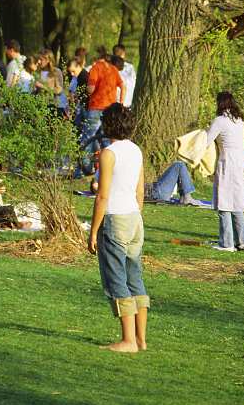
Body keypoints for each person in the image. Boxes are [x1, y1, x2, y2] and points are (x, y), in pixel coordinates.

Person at [87, 103, 148, 353]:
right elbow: (140, 190)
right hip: (135, 218)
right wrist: (136, 214)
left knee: (118, 280)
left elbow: (102, 196)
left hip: (115, 218)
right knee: (135, 278)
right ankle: (141, 339)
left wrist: (93, 231)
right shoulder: (136, 151)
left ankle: (128, 341)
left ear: (107, 124)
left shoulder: (108, 153)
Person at [206, 91, 244, 252]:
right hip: (242, 162)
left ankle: (227, 243)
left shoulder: (219, 121)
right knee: (237, 202)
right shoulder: (239, 120)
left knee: (224, 203)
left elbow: (206, 140)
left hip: (228, 163)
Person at [79, 47, 124, 175]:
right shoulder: (113, 69)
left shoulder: (96, 68)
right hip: (109, 110)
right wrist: (120, 102)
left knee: (88, 137)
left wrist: (86, 88)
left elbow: (91, 89)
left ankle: (84, 170)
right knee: (106, 140)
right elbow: (122, 86)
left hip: (96, 108)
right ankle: (106, 170)